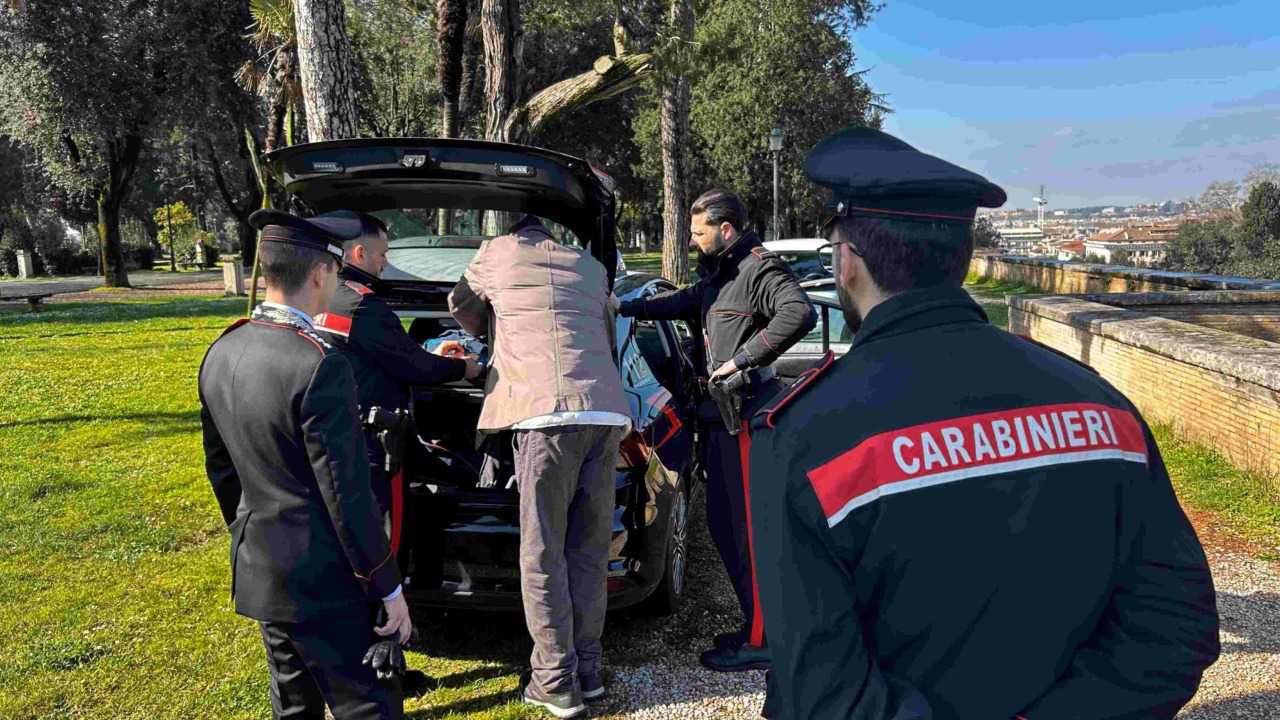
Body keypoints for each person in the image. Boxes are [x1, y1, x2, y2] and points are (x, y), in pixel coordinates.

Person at [748, 125, 1221, 719]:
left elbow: (822, 695)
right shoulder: (1103, 407)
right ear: (963, 257)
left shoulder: (804, 437)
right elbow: (1176, 628)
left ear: (848, 263)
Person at [199, 209, 411, 720]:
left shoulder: (222, 349)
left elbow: (223, 471)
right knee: (368, 705)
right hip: (326, 580)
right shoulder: (319, 363)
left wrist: (253, 533)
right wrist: (388, 585)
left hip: (261, 567)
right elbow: (346, 493)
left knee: (293, 705)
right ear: (321, 273)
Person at [617, 188, 817, 674]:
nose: (692, 239)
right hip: (722, 420)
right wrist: (621, 308)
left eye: (698, 231)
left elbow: (801, 312)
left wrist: (742, 362)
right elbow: (684, 303)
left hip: (746, 416)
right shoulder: (720, 274)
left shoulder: (757, 269)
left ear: (724, 230)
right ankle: (757, 628)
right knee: (728, 531)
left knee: (747, 533)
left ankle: (764, 641)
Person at [448, 215, 631, 719]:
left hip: (541, 412)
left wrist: (493, 334)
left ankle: (554, 681)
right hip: (604, 409)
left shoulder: (495, 253)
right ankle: (588, 672)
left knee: (542, 551)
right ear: (551, 235)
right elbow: (607, 326)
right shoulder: (588, 264)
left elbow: (459, 304)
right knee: (588, 550)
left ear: (512, 232)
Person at [311, 210, 483, 531]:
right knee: (383, 538)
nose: (386, 264)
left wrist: (429, 352)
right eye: (383, 254)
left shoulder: (327, 298)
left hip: (335, 434)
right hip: (376, 448)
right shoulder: (363, 305)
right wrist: (466, 368)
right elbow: (416, 367)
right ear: (360, 254)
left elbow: (381, 354)